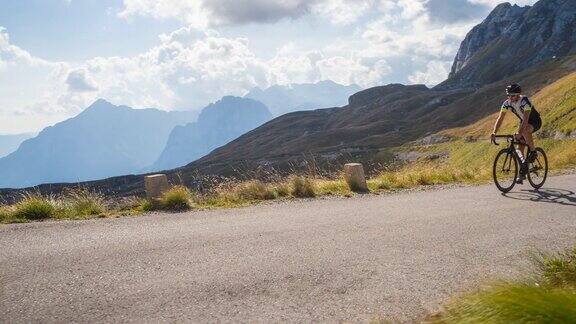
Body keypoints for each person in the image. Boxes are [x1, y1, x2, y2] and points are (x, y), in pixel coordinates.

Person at [491, 84, 542, 183]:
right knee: (519, 149)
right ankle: (523, 170)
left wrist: (519, 132)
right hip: (523, 122)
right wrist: (494, 132)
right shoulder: (507, 103)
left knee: (525, 130)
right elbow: (500, 118)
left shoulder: (525, 101)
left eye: (513, 95)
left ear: (518, 95)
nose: (510, 97)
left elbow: (526, 119)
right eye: (508, 95)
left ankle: (533, 152)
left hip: (534, 121)